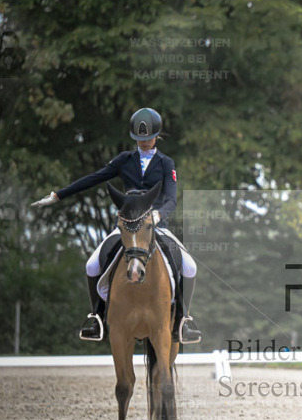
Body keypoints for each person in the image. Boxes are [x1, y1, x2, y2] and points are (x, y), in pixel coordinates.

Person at [31, 108, 201, 343]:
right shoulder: (124, 160)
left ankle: (183, 320)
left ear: (157, 136)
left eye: (148, 139)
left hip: (156, 226)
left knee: (190, 266)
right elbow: (94, 177)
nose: (143, 143)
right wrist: (58, 195)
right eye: (139, 140)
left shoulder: (166, 163)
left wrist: (160, 215)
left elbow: (172, 197)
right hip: (128, 226)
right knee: (92, 265)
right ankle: (97, 318)